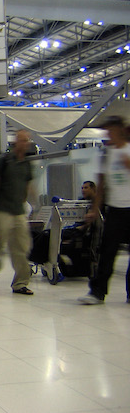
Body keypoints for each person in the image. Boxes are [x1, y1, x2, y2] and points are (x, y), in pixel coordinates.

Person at [78, 116, 130, 305]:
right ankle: (98, 292)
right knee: (108, 252)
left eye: (111, 131)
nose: (109, 135)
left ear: (120, 130)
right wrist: (94, 209)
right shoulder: (106, 154)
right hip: (115, 209)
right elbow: (100, 186)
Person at [0, 130, 34, 295]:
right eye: (23, 141)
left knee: (21, 247)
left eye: (27, 141)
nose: (25, 144)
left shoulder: (26, 164)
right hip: (2, 210)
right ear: (16, 142)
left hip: (18, 211)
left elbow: (27, 186)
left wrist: (28, 204)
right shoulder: (2, 161)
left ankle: (20, 283)